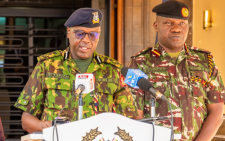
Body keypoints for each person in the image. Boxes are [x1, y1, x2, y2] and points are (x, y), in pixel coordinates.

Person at [14, 8, 137, 133]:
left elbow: (130, 118)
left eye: (93, 35)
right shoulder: (47, 66)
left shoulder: (113, 70)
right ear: (68, 32)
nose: (86, 40)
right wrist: (51, 127)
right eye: (80, 33)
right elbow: (27, 120)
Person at [128, 1, 225, 141]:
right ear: (156, 26)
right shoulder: (138, 63)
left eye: (182, 24)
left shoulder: (205, 61)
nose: (176, 29)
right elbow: (133, 112)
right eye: (168, 23)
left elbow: (217, 109)